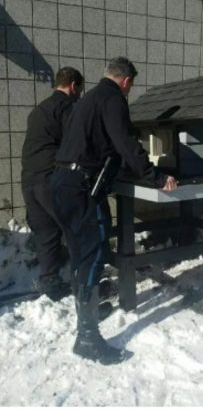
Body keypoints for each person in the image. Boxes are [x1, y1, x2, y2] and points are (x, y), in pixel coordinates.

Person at [51, 57, 178, 364]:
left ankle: (88, 317)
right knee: (94, 255)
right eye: (130, 87)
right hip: (82, 188)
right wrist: (157, 176)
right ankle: (87, 338)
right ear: (127, 81)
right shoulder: (112, 99)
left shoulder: (88, 100)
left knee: (82, 254)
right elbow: (125, 142)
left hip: (62, 183)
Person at [21, 67, 84, 300]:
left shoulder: (38, 110)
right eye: (80, 89)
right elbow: (75, 144)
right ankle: (84, 284)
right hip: (50, 178)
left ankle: (50, 281)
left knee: (46, 232)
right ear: (74, 86)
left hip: (29, 179)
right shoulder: (67, 107)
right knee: (76, 230)